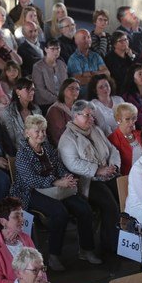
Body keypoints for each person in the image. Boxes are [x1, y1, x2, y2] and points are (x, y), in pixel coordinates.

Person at [12, 115, 98, 271]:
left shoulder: (47, 147)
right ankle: (54, 255)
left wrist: (67, 177)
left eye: (43, 130)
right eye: (37, 131)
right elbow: (31, 180)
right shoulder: (22, 154)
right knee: (59, 212)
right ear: (27, 133)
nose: (41, 134)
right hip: (30, 191)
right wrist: (56, 182)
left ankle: (86, 250)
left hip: (54, 188)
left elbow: (59, 166)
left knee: (84, 208)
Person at [59, 100, 122, 254]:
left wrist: (113, 166)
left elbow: (112, 149)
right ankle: (111, 245)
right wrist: (97, 170)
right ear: (75, 116)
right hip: (86, 181)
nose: (91, 119)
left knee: (125, 195)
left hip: (108, 174)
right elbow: (72, 164)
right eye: (87, 115)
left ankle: (126, 240)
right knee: (110, 205)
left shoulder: (96, 130)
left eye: (92, 115)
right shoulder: (67, 138)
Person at [0, 77, 42, 149]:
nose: (32, 92)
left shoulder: (36, 109)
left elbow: (42, 132)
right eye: (27, 89)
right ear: (18, 92)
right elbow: (10, 140)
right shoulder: (7, 113)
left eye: (32, 89)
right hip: (19, 150)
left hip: (38, 147)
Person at [109, 102, 142, 175]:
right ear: (118, 120)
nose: (132, 122)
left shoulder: (140, 134)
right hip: (127, 177)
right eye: (127, 119)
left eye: (134, 118)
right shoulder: (112, 139)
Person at [46, 78, 80, 146]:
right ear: (63, 90)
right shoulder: (55, 110)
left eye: (77, 89)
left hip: (77, 141)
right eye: (71, 88)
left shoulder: (78, 107)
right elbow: (63, 133)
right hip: (62, 145)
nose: (75, 91)